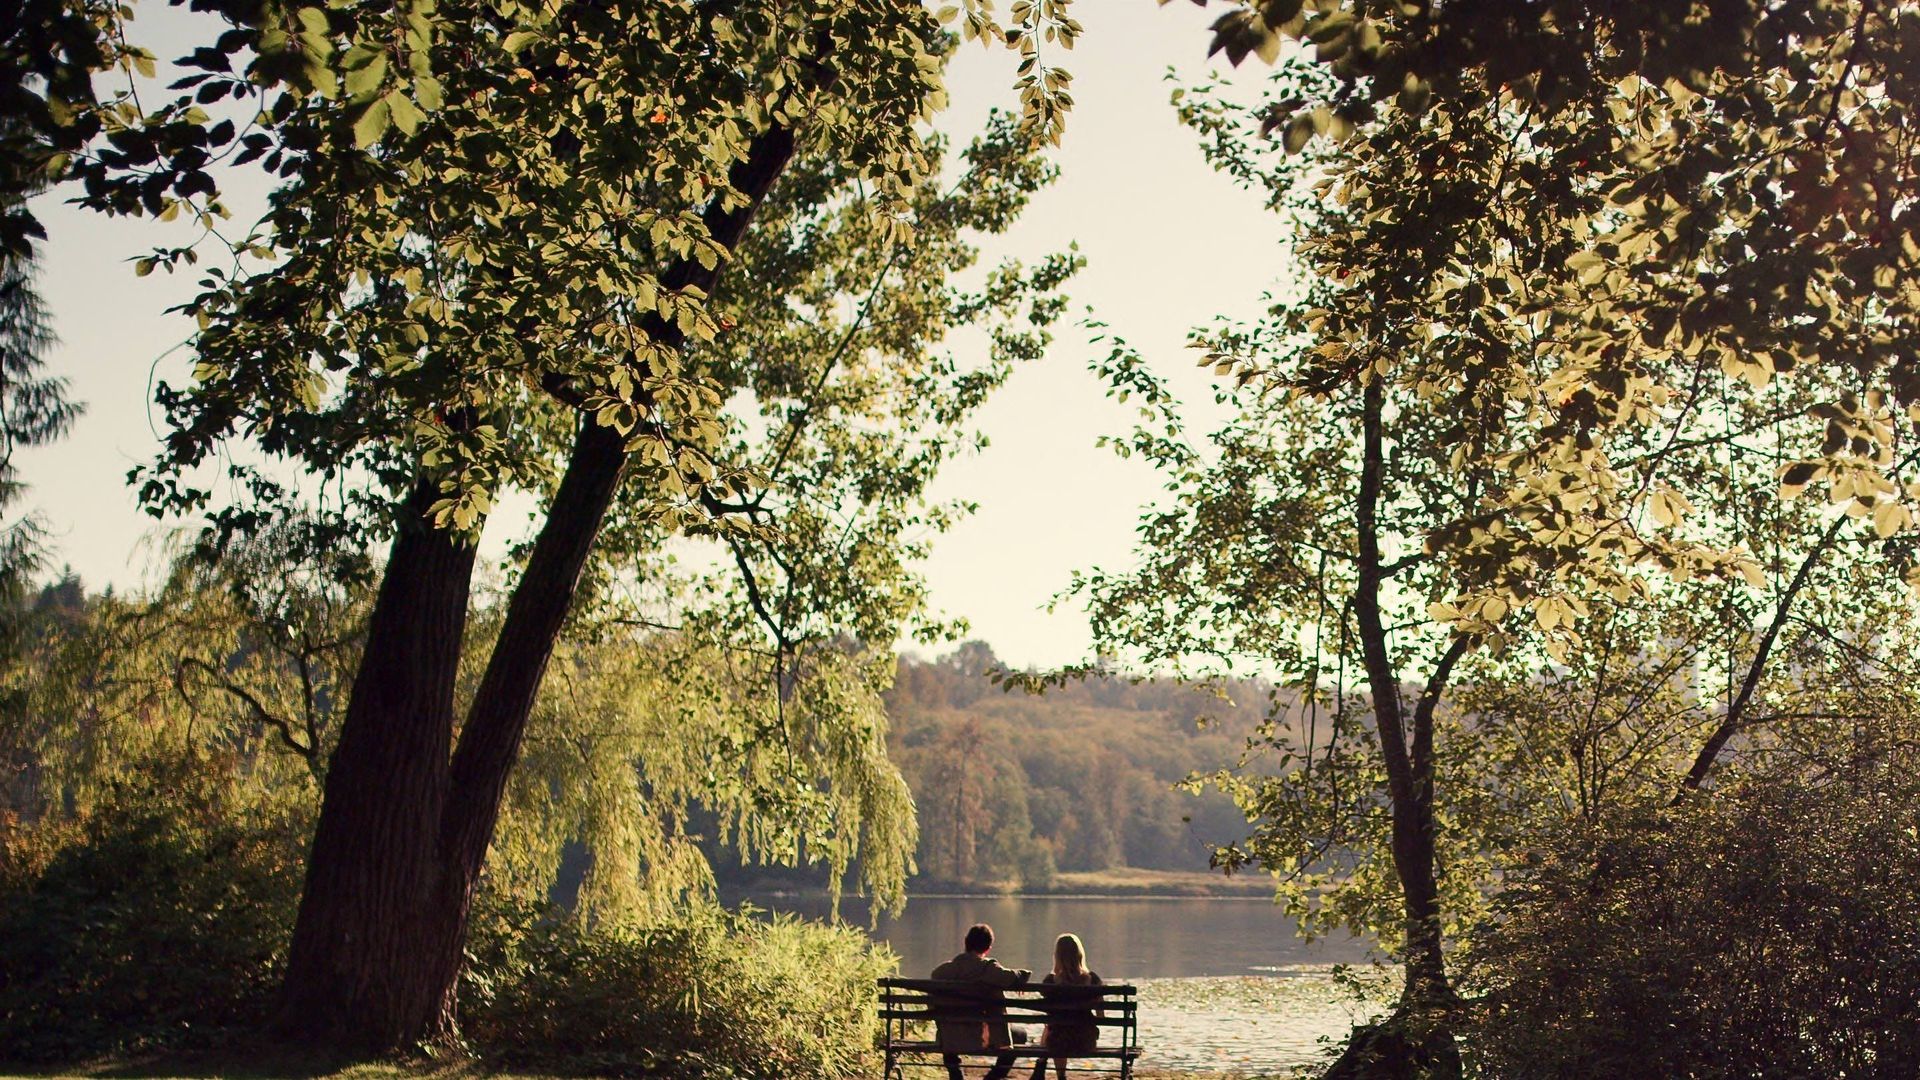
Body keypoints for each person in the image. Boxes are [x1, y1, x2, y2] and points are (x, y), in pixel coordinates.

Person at [930, 922, 1031, 1080]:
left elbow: (933, 990)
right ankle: (993, 1077)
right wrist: (1022, 975)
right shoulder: (987, 969)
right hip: (979, 1037)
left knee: (951, 1027)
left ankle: (955, 1074)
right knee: (1020, 1035)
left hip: (950, 1037)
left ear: (965, 942)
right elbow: (1010, 977)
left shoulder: (942, 972)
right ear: (988, 949)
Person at [1028, 933, 1102, 1080]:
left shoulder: (1050, 982)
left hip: (1058, 1043)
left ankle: (1055, 1073)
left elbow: (1047, 1011)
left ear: (1057, 956)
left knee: (1054, 1028)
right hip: (1085, 1041)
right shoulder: (1093, 980)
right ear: (1080, 954)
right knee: (1057, 1028)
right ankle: (1043, 1067)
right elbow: (1101, 1016)